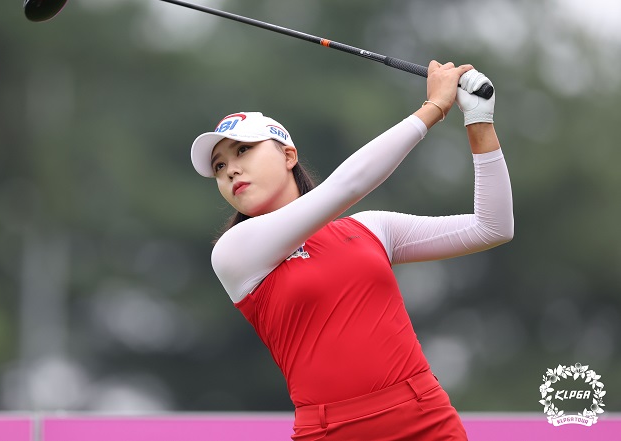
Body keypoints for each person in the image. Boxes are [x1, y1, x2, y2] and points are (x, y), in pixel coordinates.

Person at [190, 61, 514, 441]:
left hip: (424, 417)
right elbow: (346, 186)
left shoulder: (370, 228)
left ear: (289, 156)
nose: (230, 170)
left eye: (243, 150)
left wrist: (478, 119)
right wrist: (434, 108)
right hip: (331, 431)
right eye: (219, 166)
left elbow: (492, 227)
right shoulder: (234, 252)